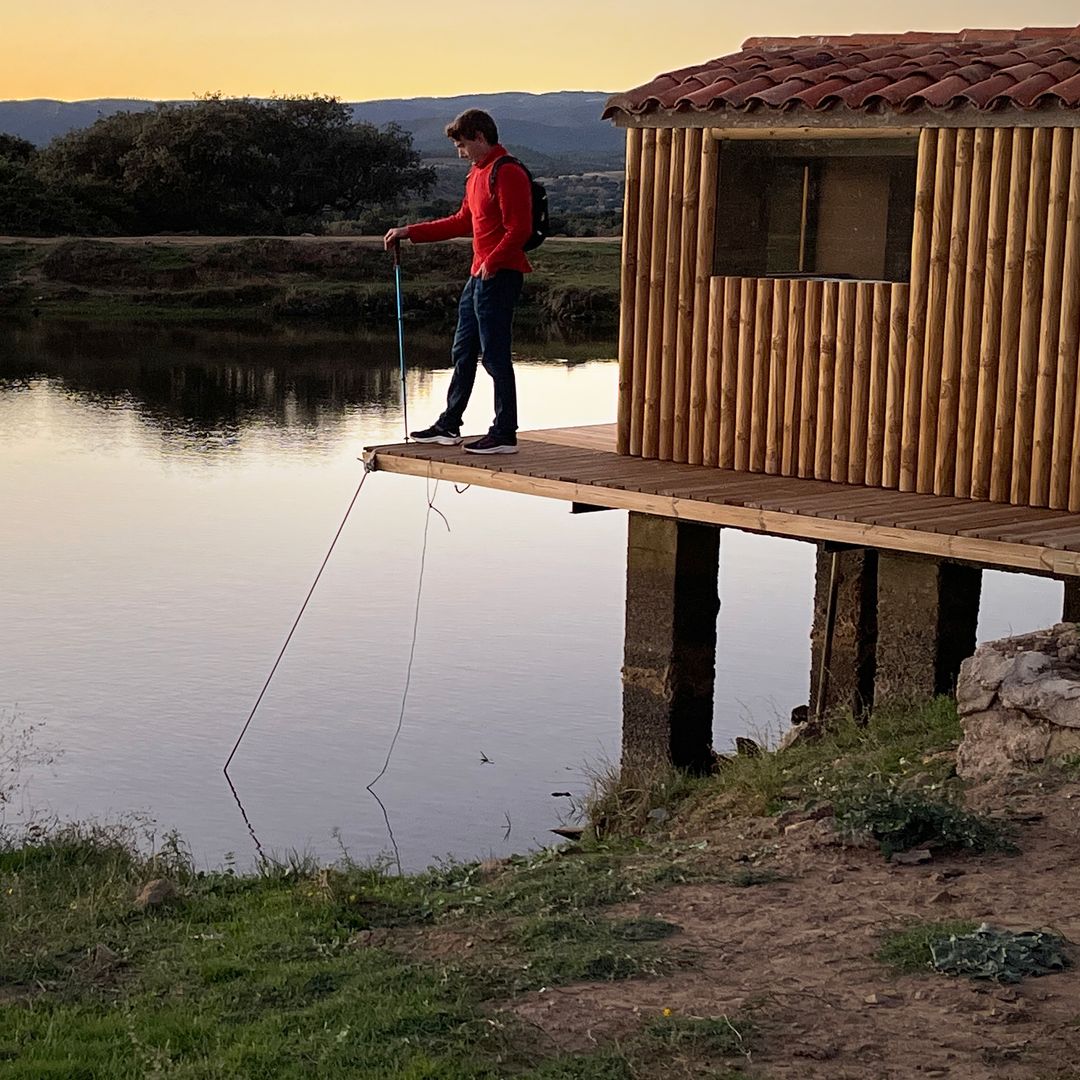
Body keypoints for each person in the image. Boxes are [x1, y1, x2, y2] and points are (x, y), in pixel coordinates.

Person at [384, 109, 532, 454]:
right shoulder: (476, 174)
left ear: (480, 137)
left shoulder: (506, 171)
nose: (459, 151)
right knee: (462, 351)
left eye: (462, 144)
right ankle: (449, 424)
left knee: (495, 357)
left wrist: (492, 263)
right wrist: (410, 232)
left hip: (500, 275)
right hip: (478, 277)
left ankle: (504, 433)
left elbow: (519, 230)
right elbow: (462, 221)